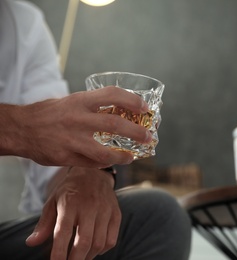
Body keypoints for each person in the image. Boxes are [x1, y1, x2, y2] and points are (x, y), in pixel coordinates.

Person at [0, 1, 192, 259]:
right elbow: (37, 125)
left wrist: (86, 171)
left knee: (159, 214)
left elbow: (52, 161)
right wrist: (20, 127)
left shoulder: (24, 25)